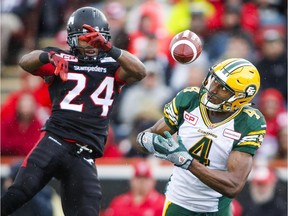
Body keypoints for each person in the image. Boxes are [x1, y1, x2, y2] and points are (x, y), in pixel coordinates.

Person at [1, 6, 146, 216]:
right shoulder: (61, 58)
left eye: (95, 41)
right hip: (55, 141)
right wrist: (48, 56)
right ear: (72, 40)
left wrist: (110, 48)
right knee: (18, 193)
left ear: (104, 39)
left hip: (84, 153)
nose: (90, 47)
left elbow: (140, 71)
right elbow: (26, 63)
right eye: (84, 40)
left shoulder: (113, 65)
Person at [136, 58, 267, 215]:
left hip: (216, 208)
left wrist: (188, 162)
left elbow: (233, 185)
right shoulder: (190, 99)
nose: (212, 89)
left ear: (240, 97)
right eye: (214, 80)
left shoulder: (249, 121)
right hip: (178, 202)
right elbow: (147, 139)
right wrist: (145, 140)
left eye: (223, 88)